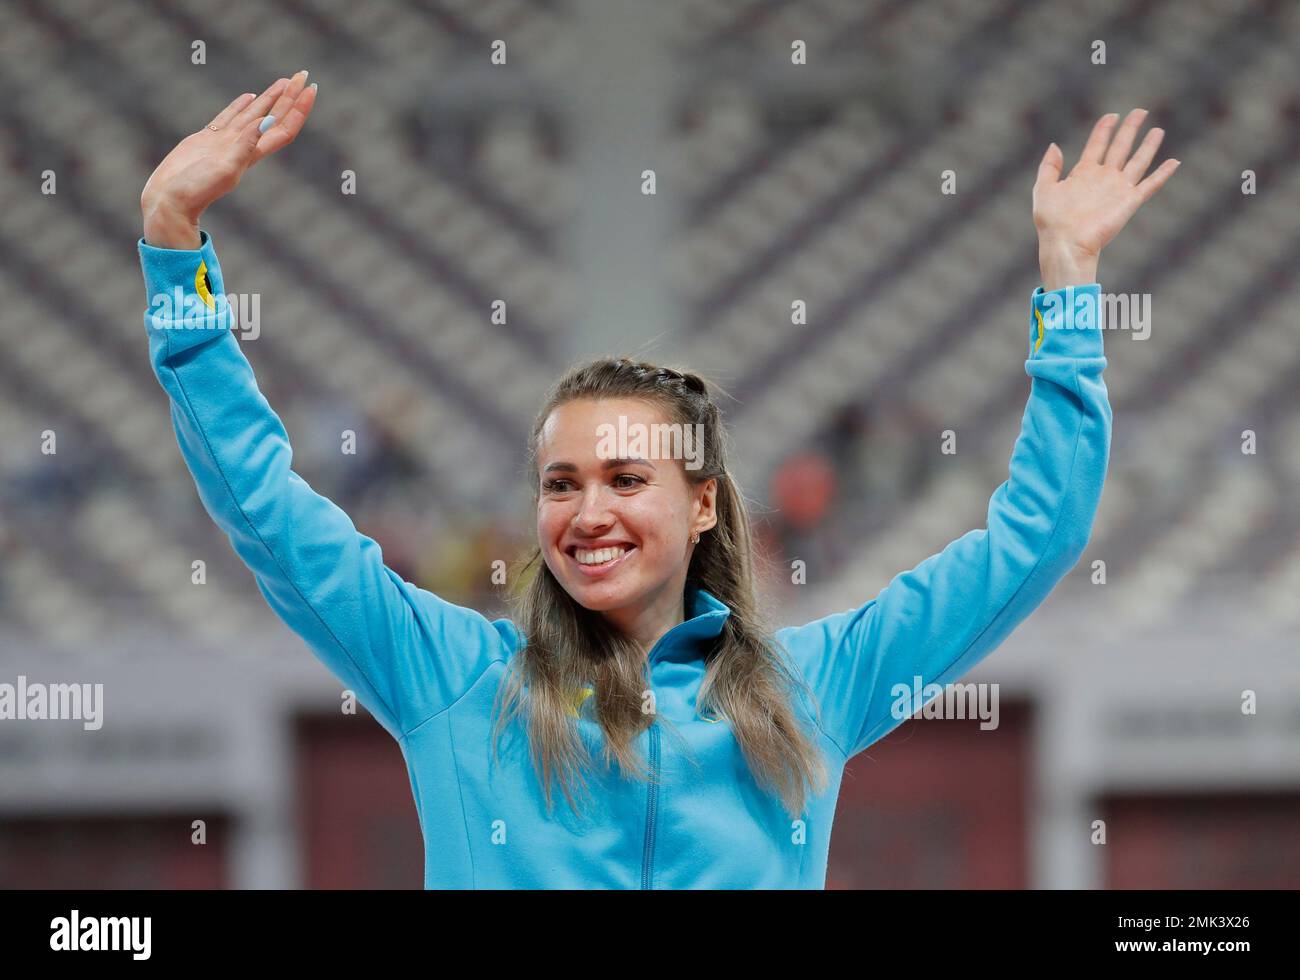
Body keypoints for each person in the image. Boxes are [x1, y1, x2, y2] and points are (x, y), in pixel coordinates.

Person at [138, 72, 1178, 888]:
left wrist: (1068, 278)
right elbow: (261, 504)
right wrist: (174, 246)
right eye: (559, 482)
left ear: (702, 502)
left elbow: (1036, 535)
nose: (587, 512)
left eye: (626, 477)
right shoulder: (448, 676)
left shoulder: (814, 688)